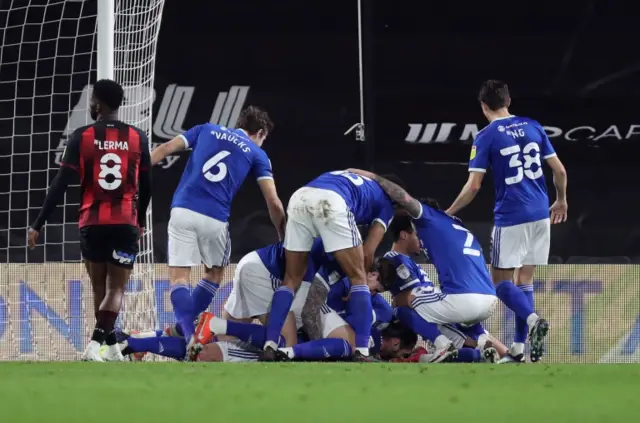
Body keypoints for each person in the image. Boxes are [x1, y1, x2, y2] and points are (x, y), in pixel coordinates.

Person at [347, 169, 551, 361]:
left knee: (403, 305)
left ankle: (442, 344)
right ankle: (489, 342)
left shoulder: (426, 218)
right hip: (488, 300)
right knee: (445, 304)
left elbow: (402, 196)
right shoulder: (456, 225)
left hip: (463, 300)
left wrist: (372, 177)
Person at [27, 79, 152, 362]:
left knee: (99, 288)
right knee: (116, 289)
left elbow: (60, 184)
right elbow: (147, 185)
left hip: (91, 223)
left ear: (98, 103)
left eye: (92, 100)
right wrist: (140, 218)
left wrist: (38, 223)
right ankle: (103, 347)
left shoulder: (81, 136)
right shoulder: (137, 136)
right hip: (124, 222)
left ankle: (103, 349)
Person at [150, 106, 286, 360]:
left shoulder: (205, 129)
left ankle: (187, 332)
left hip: (182, 209)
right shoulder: (257, 153)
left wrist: (134, 176)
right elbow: (273, 202)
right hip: (215, 218)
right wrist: (283, 236)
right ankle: (191, 331)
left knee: (180, 279)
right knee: (214, 274)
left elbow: (164, 149)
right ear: (260, 132)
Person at [445, 80, 567, 362]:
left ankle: (534, 320)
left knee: (500, 283)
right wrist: (561, 200)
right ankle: (520, 350)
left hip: (512, 217)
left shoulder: (486, 136)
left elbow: (474, 186)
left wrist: (449, 212)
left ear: (483, 106)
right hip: (540, 214)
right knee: (524, 279)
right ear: (508, 100)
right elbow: (559, 171)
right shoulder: (533, 126)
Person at [261, 170, 400, 361]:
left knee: (291, 279)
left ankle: (270, 345)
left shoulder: (354, 181)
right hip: (332, 203)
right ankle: (362, 351)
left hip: (300, 197)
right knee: (359, 278)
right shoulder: (387, 204)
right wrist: (360, 281)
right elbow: (368, 251)